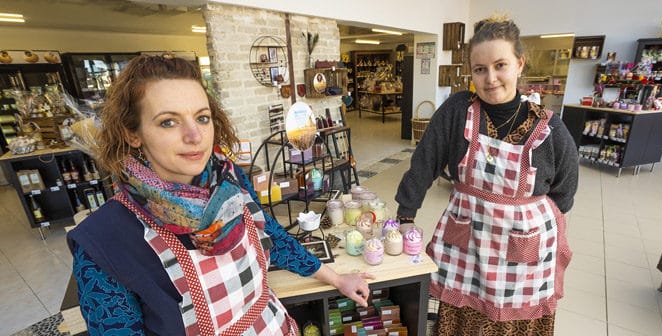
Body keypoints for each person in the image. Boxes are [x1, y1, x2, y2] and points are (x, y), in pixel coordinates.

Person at [67, 55, 374, 335]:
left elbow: (273, 237)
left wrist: (335, 278)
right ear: (132, 134)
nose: (195, 136)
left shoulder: (230, 183)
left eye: (202, 117)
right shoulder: (105, 241)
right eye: (168, 122)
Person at [395, 16, 578, 336]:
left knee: (513, 324)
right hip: (468, 241)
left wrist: (524, 217)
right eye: (480, 69)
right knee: (462, 321)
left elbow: (565, 191)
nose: (490, 78)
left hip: (524, 253)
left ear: (520, 64)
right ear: (471, 73)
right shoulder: (457, 110)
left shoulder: (550, 128)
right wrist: (406, 215)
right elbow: (425, 160)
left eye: (500, 65)